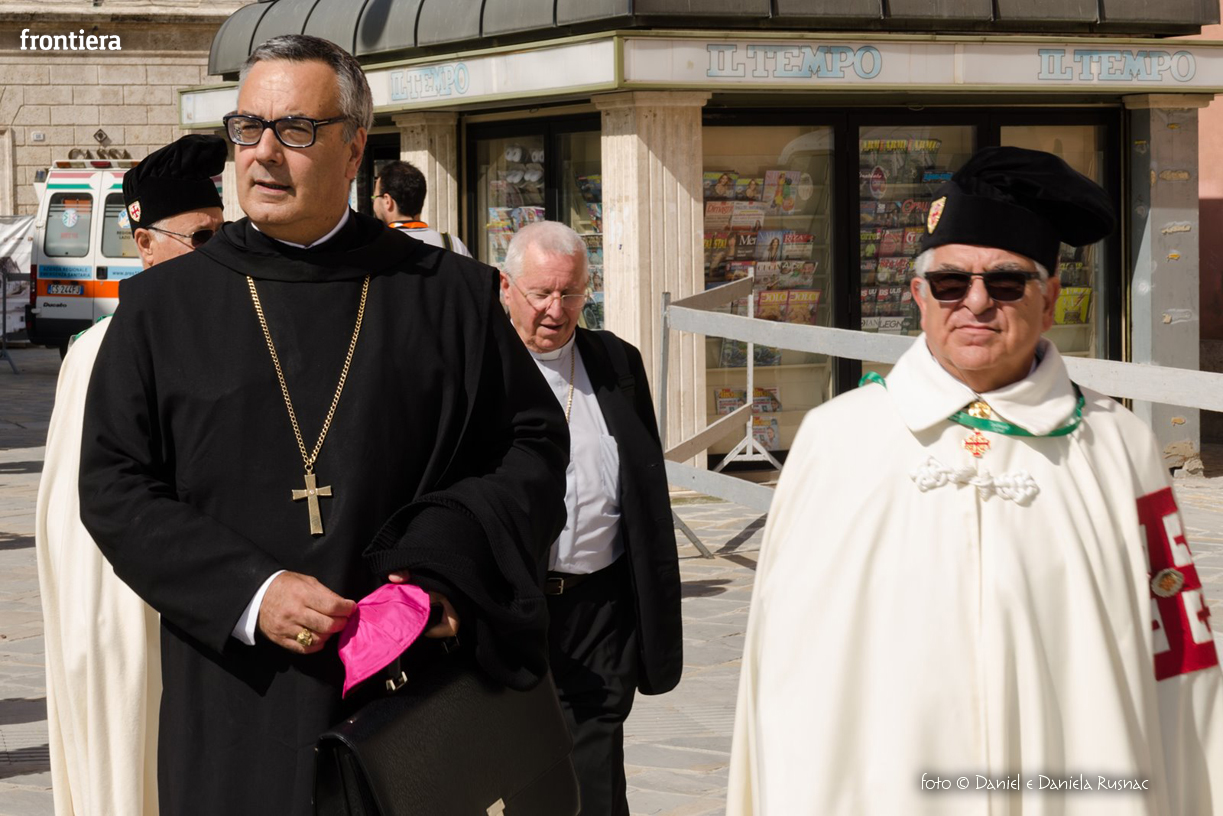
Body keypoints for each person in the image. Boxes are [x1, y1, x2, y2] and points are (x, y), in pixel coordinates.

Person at [77, 35, 568, 816]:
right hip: (235, 700)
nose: (264, 154)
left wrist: (442, 574)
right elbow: (114, 485)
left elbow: (531, 449)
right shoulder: (160, 310)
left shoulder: (449, 296)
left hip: (409, 701)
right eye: (248, 128)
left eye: (296, 130)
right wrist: (253, 591)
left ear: (354, 149)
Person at [728, 146, 1223, 815]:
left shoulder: (1115, 446)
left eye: (1008, 283)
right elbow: (777, 654)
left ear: (1049, 300)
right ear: (918, 297)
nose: (977, 303)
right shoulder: (837, 441)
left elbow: (1180, 660)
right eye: (950, 283)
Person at [35, 134, 226, 816]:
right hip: (135, 616)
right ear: (144, 244)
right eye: (201, 239)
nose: (219, 254)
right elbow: (79, 527)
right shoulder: (99, 351)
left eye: (226, 236)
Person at [500, 221, 683, 816]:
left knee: (595, 770)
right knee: (526, 771)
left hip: (599, 605)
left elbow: (644, 484)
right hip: (510, 609)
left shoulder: (615, 362)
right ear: (506, 288)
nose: (556, 310)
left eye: (571, 293)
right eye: (541, 293)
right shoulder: (475, 363)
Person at [372, 159, 471, 256]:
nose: (374, 203)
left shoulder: (375, 247)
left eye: (375, 197)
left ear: (387, 201)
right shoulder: (453, 244)